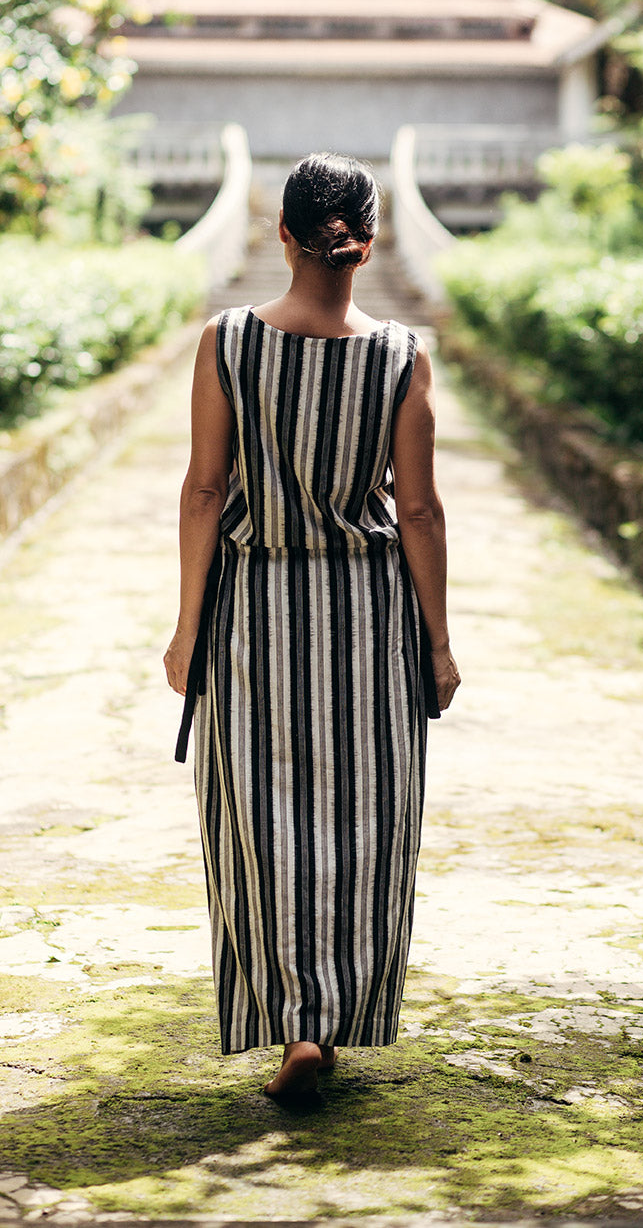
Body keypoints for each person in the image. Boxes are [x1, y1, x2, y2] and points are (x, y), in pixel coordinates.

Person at [164, 151, 460, 1105]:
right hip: (367, 625)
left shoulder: (227, 342)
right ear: (364, 248)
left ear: (280, 236)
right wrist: (440, 645)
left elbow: (206, 488)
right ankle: (328, 1018)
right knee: (364, 820)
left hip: (253, 614)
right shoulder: (399, 355)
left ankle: (291, 1022)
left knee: (260, 816)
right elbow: (417, 512)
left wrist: (183, 630)